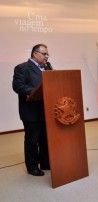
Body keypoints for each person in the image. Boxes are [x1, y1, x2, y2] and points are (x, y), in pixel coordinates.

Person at [12, 44, 52, 176]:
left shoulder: (48, 67)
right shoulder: (22, 68)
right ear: (35, 54)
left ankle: (45, 163)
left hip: (46, 110)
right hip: (31, 111)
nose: (47, 56)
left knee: (45, 139)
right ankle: (32, 166)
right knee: (32, 140)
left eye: (47, 54)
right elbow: (18, 86)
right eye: (44, 54)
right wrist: (35, 91)